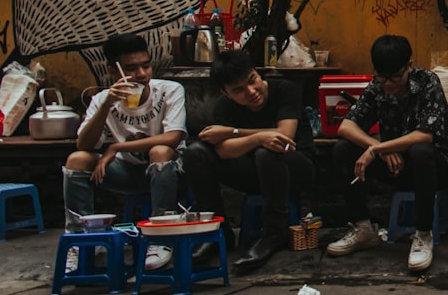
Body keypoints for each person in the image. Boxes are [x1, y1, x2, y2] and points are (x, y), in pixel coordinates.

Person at [326, 35, 448, 273]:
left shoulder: (428, 82)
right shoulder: (377, 86)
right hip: (395, 164)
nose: (388, 83)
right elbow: (346, 127)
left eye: (395, 76)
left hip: (436, 166)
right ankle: (363, 227)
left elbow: (425, 135)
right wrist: (376, 148)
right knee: (342, 149)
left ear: (409, 65)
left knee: (420, 151)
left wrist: (379, 148)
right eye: (381, 76)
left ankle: (423, 233)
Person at [62, 33, 187, 272]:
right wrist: (107, 104)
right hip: (127, 173)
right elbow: (84, 145)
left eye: (146, 65)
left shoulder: (170, 90)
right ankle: (81, 242)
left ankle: (161, 237)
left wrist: (116, 147)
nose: (141, 74)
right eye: (131, 68)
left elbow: (174, 138)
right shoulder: (102, 100)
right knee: (76, 160)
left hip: (170, 172)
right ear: (112, 71)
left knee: (160, 151)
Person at [182, 49, 315, 271]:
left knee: (269, 151)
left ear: (256, 72)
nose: (251, 91)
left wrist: (236, 132)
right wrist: (259, 137)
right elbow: (224, 151)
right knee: (195, 152)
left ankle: (274, 233)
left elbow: (284, 137)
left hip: (295, 168)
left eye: (252, 80)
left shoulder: (285, 90)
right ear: (226, 93)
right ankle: (216, 232)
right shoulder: (224, 107)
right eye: (239, 90)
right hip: (252, 171)